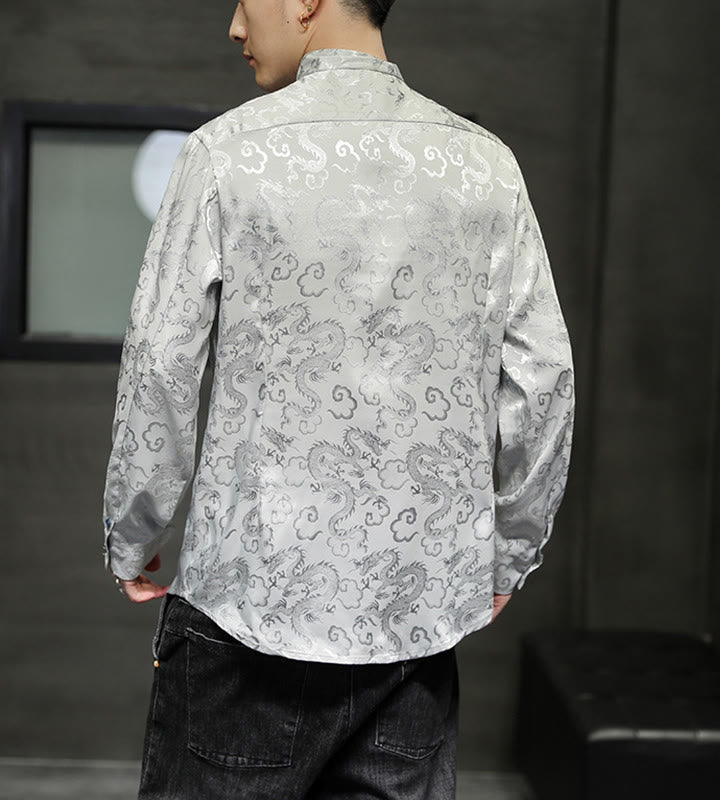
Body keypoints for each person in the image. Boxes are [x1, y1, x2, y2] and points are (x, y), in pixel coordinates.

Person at [102, 1, 575, 797]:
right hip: (414, 626)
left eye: (246, 0)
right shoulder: (487, 166)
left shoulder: (226, 153)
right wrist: (509, 552)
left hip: (248, 612)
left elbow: (162, 364)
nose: (234, 25)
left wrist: (135, 530)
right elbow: (544, 380)